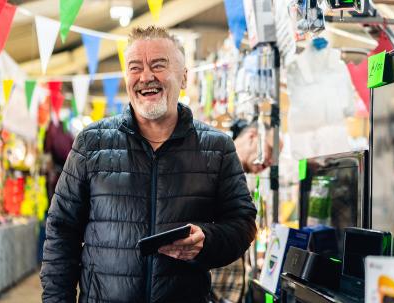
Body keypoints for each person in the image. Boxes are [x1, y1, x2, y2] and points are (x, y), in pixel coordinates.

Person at [40, 26, 257, 303]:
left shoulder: (218, 147)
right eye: (135, 68)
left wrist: (208, 240)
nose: (146, 77)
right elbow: (61, 232)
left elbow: (243, 223)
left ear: (184, 78)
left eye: (158, 65)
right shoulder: (91, 144)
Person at [211, 121, 277, 303]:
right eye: (270, 150)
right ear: (252, 136)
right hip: (210, 292)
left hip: (229, 294)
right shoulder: (213, 167)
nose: (270, 161)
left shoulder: (241, 181)